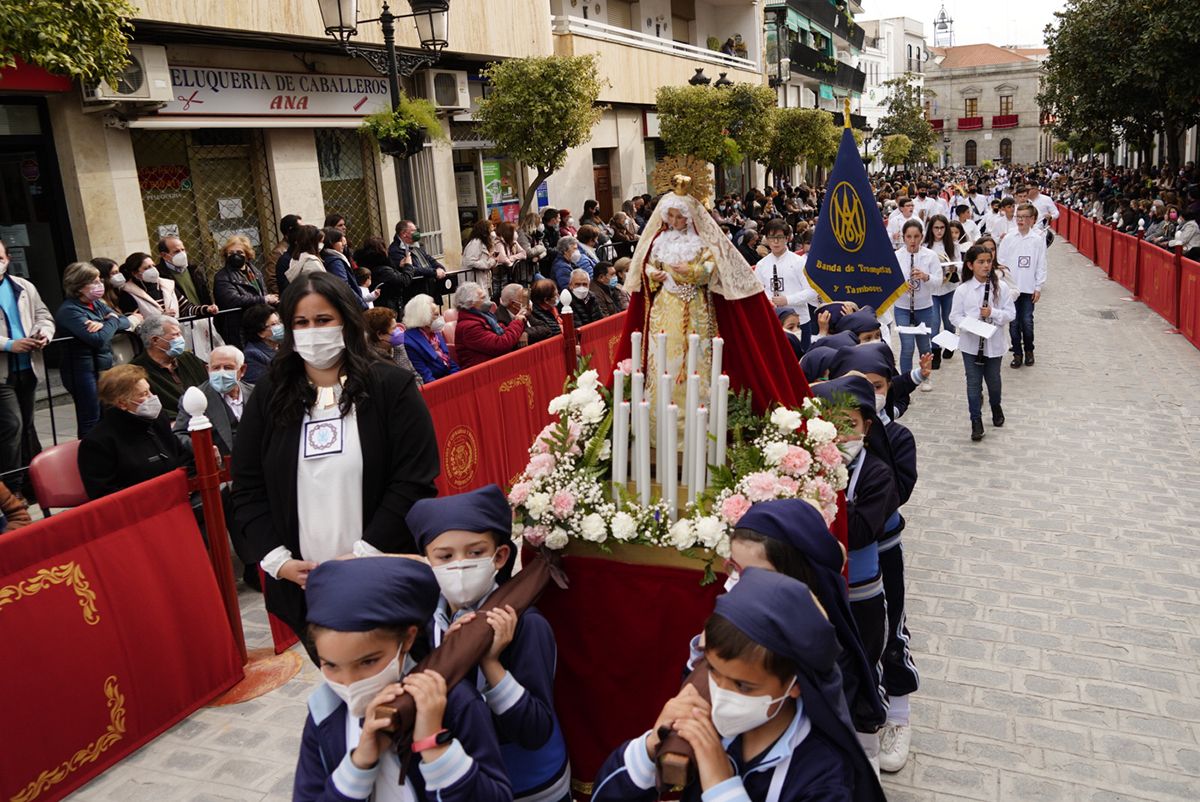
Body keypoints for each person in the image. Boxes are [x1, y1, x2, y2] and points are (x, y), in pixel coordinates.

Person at [231, 272, 440, 650]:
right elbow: (247, 486)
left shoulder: (391, 386)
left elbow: (414, 479)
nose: (313, 331)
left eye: (323, 320)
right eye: (301, 322)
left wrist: (364, 553)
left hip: (382, 572)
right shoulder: (269, 395)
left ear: (346, 320)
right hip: (304, 587)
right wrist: (279, 560)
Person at [592, 568, 884, 801]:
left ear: (796, 683)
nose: (720, 694)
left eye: (743, 687)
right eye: (713, 671)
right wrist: (649, 747)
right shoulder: (705, 718)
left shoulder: (824, 775)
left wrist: (721, 786)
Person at [293, 557, 512, 802]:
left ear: (407, 639)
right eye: (330, 665)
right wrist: (358, 765)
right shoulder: (324, 712)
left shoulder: (455, 701)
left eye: (368, 662)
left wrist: (435, 747)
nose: (349, 682)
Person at [407, 485, 571, 802]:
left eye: (475, 552)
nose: (460, 564)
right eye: (445, 556)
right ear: (428, 560)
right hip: (461, 781)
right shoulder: (424, 623)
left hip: (528, 785)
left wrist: (490, 663)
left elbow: (535, 730)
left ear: (500, 556)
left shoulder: (527, 625)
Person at [723, 500, 888, 761]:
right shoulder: (745, 617)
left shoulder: (826, 653)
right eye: (735, 568)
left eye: (756, 574)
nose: (741, 582)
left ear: (794, 574)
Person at [811, 374, 900, 772]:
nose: (840, 433)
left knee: (864, 663)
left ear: (866, 425)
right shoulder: (807, 469)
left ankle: (867, 749)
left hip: (863, 595)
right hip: (821, 597)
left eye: (849, 423)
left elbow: (862, 531)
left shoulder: (878, 474)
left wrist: (827, 495)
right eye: (830, 424)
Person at [78, 364, 192, 499]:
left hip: (179, 495)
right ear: (122, 403)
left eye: (149, 391)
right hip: (141, 509)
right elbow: (106, 495)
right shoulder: (98, 443)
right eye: (143, 394)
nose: (152, 397)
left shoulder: (157, 419)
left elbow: (182, 456)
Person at [55, 262, 143, 435]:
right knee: (91, 418)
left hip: (103, 367)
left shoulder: (97, 304)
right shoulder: (69, 311)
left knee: (110, 414)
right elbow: (98, 338)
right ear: (79, 286)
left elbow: (124, 322)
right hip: (82, 370)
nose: (100, 285)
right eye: (93, 281)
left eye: (99, 280)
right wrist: (111, 321)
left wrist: (105, 323)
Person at [0, 241, 54, 493]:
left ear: (8, 258)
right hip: (3, 372)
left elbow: (43, 315)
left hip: (28, 368)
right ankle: (12, 489)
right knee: (13, 425)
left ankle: (32, 483)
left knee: (27, 427)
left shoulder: (24, 286)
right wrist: (10, 344)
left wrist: (43, 333)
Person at [950, 244, 1016, 441]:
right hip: (971, 344)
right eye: (981, 262)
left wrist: (992, 313)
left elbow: (1010, 314)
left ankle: (996, 405)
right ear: (970, 265)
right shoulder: (962, 290)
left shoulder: (1001, 287)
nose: (986, 266)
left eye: (988, 261)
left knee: (993, 382)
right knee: (973, 383)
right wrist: (971, 325)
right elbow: (954, 316)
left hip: (994, 344)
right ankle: (975, 421)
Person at [172, 345, 252, 458]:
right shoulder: (195, 397)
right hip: (222, 468)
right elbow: (179, 434)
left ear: (242, 370)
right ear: (207, 369)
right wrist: (205, 450)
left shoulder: (255, 392)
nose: (222, 373)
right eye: (216, 368)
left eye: (228, 367)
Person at [996, 202, 1047, 368]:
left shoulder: (1037, 239)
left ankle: (1029, 349)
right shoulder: (1009, 238)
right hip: (1011, 289)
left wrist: (1038, 287)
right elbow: (1001, 262)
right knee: (1014, 323)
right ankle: (1017, 352)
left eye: (1025, 217)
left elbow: (1041, 264)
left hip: (1028, 288)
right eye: (1019, 217)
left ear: (1032, 219)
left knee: (1027, 321)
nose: (1021, 220)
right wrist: (1002, 286)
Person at [131, 314, 209, 420]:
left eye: (180, 334)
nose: (180, 339)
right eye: (175, 335)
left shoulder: (187, 358)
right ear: (155, 340)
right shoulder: (136, 371)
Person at [754, 220, 816, 352]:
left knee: (801, 361)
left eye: (780, 237)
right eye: (771, 237)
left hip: (800, 321)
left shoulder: (799, 262)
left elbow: (812, 291)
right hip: (774, 323)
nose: (775, 242)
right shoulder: (761, 265)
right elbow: (758, 294)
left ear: (787, 238)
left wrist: (787, 300)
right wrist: (768, 301)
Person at [894, 220, 941, 383]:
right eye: (908, 237)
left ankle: (925, 377)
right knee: (907, 346)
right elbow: (889, 281)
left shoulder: (930, 255)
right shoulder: (897, 256)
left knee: (924, 346)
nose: (912, 241)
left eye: (916, 237)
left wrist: (926, 276)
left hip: (924, 306)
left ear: (922, 237)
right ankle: (906, 382)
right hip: (902, 307)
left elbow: (938, 281)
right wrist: (900, 286)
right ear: (903, 237)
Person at [213, 235, 278, 348]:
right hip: (238, 327)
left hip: (258, 324)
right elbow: (232, 300)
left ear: (247, 255)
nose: (235, 256)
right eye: (231, 253)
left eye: (240, 252)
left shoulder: (255, 271)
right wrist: (264, 299)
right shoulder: (222, 276)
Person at [452, 282, 526, 369]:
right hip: (482, 373)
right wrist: (517, 322)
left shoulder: (485, 316)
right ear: (470, 303)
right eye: (483, 298)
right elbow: (501, 345)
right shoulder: (469, 327)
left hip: (495, 366)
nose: (488, 300)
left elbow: (504, 330)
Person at [924, 215, 960, 371]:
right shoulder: (925, 246)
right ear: (931, 229)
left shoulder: (953, 245)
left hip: (949, 288)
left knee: (949, 320)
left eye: (942, 228)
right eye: (936, 228)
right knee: (934, 322)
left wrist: (954, 268)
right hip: (932, 290)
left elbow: (959, 264)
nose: (939, 231)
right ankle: (935, 351)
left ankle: (950, 344)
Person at [157, 235, 218, 320]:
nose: (182, 253)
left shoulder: (194, 270)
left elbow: (205, 295)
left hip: (203, 317)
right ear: (164, 255)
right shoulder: (160, 276)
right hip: (181, 322)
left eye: (183, 250)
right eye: (176, 251)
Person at [403, 294, 460, 383]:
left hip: (449, 380)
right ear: (423, 318)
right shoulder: (410, 342)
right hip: (436, 386)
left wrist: (457, 379)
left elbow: (450, 362)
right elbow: (426, 376)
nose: (441, 317)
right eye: (436, 315)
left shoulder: (435, 333)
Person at [363, 306, 421, 381]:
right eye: (394, 328)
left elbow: (414, 374)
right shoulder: (371, 361)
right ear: (380, 335)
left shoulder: (398, 347)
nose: (399, 331)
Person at [357, 234, 409, 314]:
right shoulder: (383, 270)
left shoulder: (367, 264)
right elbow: (403, 281)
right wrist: (409, 265)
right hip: (387, 306)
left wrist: (399, 267)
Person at [119, 251, 179, 319]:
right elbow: (134, 321)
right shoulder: (127, 293)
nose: (153, 269)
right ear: (135, 273)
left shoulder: (167, 284)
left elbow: (185, 307)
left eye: (153, 265)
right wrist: (161, 319)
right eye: (147, 268)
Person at [240, 304, 282, 386]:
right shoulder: (252, 355)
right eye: (274, 324)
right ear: (260, 332)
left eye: (279, 322)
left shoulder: (284, 346)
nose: (280, 327)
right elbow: (261, 387)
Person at [321, 227, 364, 305]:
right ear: (331, 242)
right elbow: (344, 286)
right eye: (340, 240)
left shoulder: (330, 257)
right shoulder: (335, 262)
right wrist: (362, 305)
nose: (344, 243)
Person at [267, 214, 303, 296]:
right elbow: (272, 279)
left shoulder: (299, 247)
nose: (303, 231)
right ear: (290, 231)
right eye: (300, 228)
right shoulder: (278, 252)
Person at [284, 224, 326, 290]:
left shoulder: (296, 259)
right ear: (313, 242)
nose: (322, 245)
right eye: (320, 242)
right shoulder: (311, 262)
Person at [461, 220, 499, 293]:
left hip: (482, 279)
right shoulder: (475, 243)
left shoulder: (485, 243)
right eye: (491, 230)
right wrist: (489, 263)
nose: (493, 233)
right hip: (474, 281)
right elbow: (470, 261)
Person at [526, 279, 562, 345]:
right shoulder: (535, 314)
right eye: (556, 295)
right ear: (546, 300)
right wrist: (560, 328)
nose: (558, 296)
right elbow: (550, 331)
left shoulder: (555, 308)